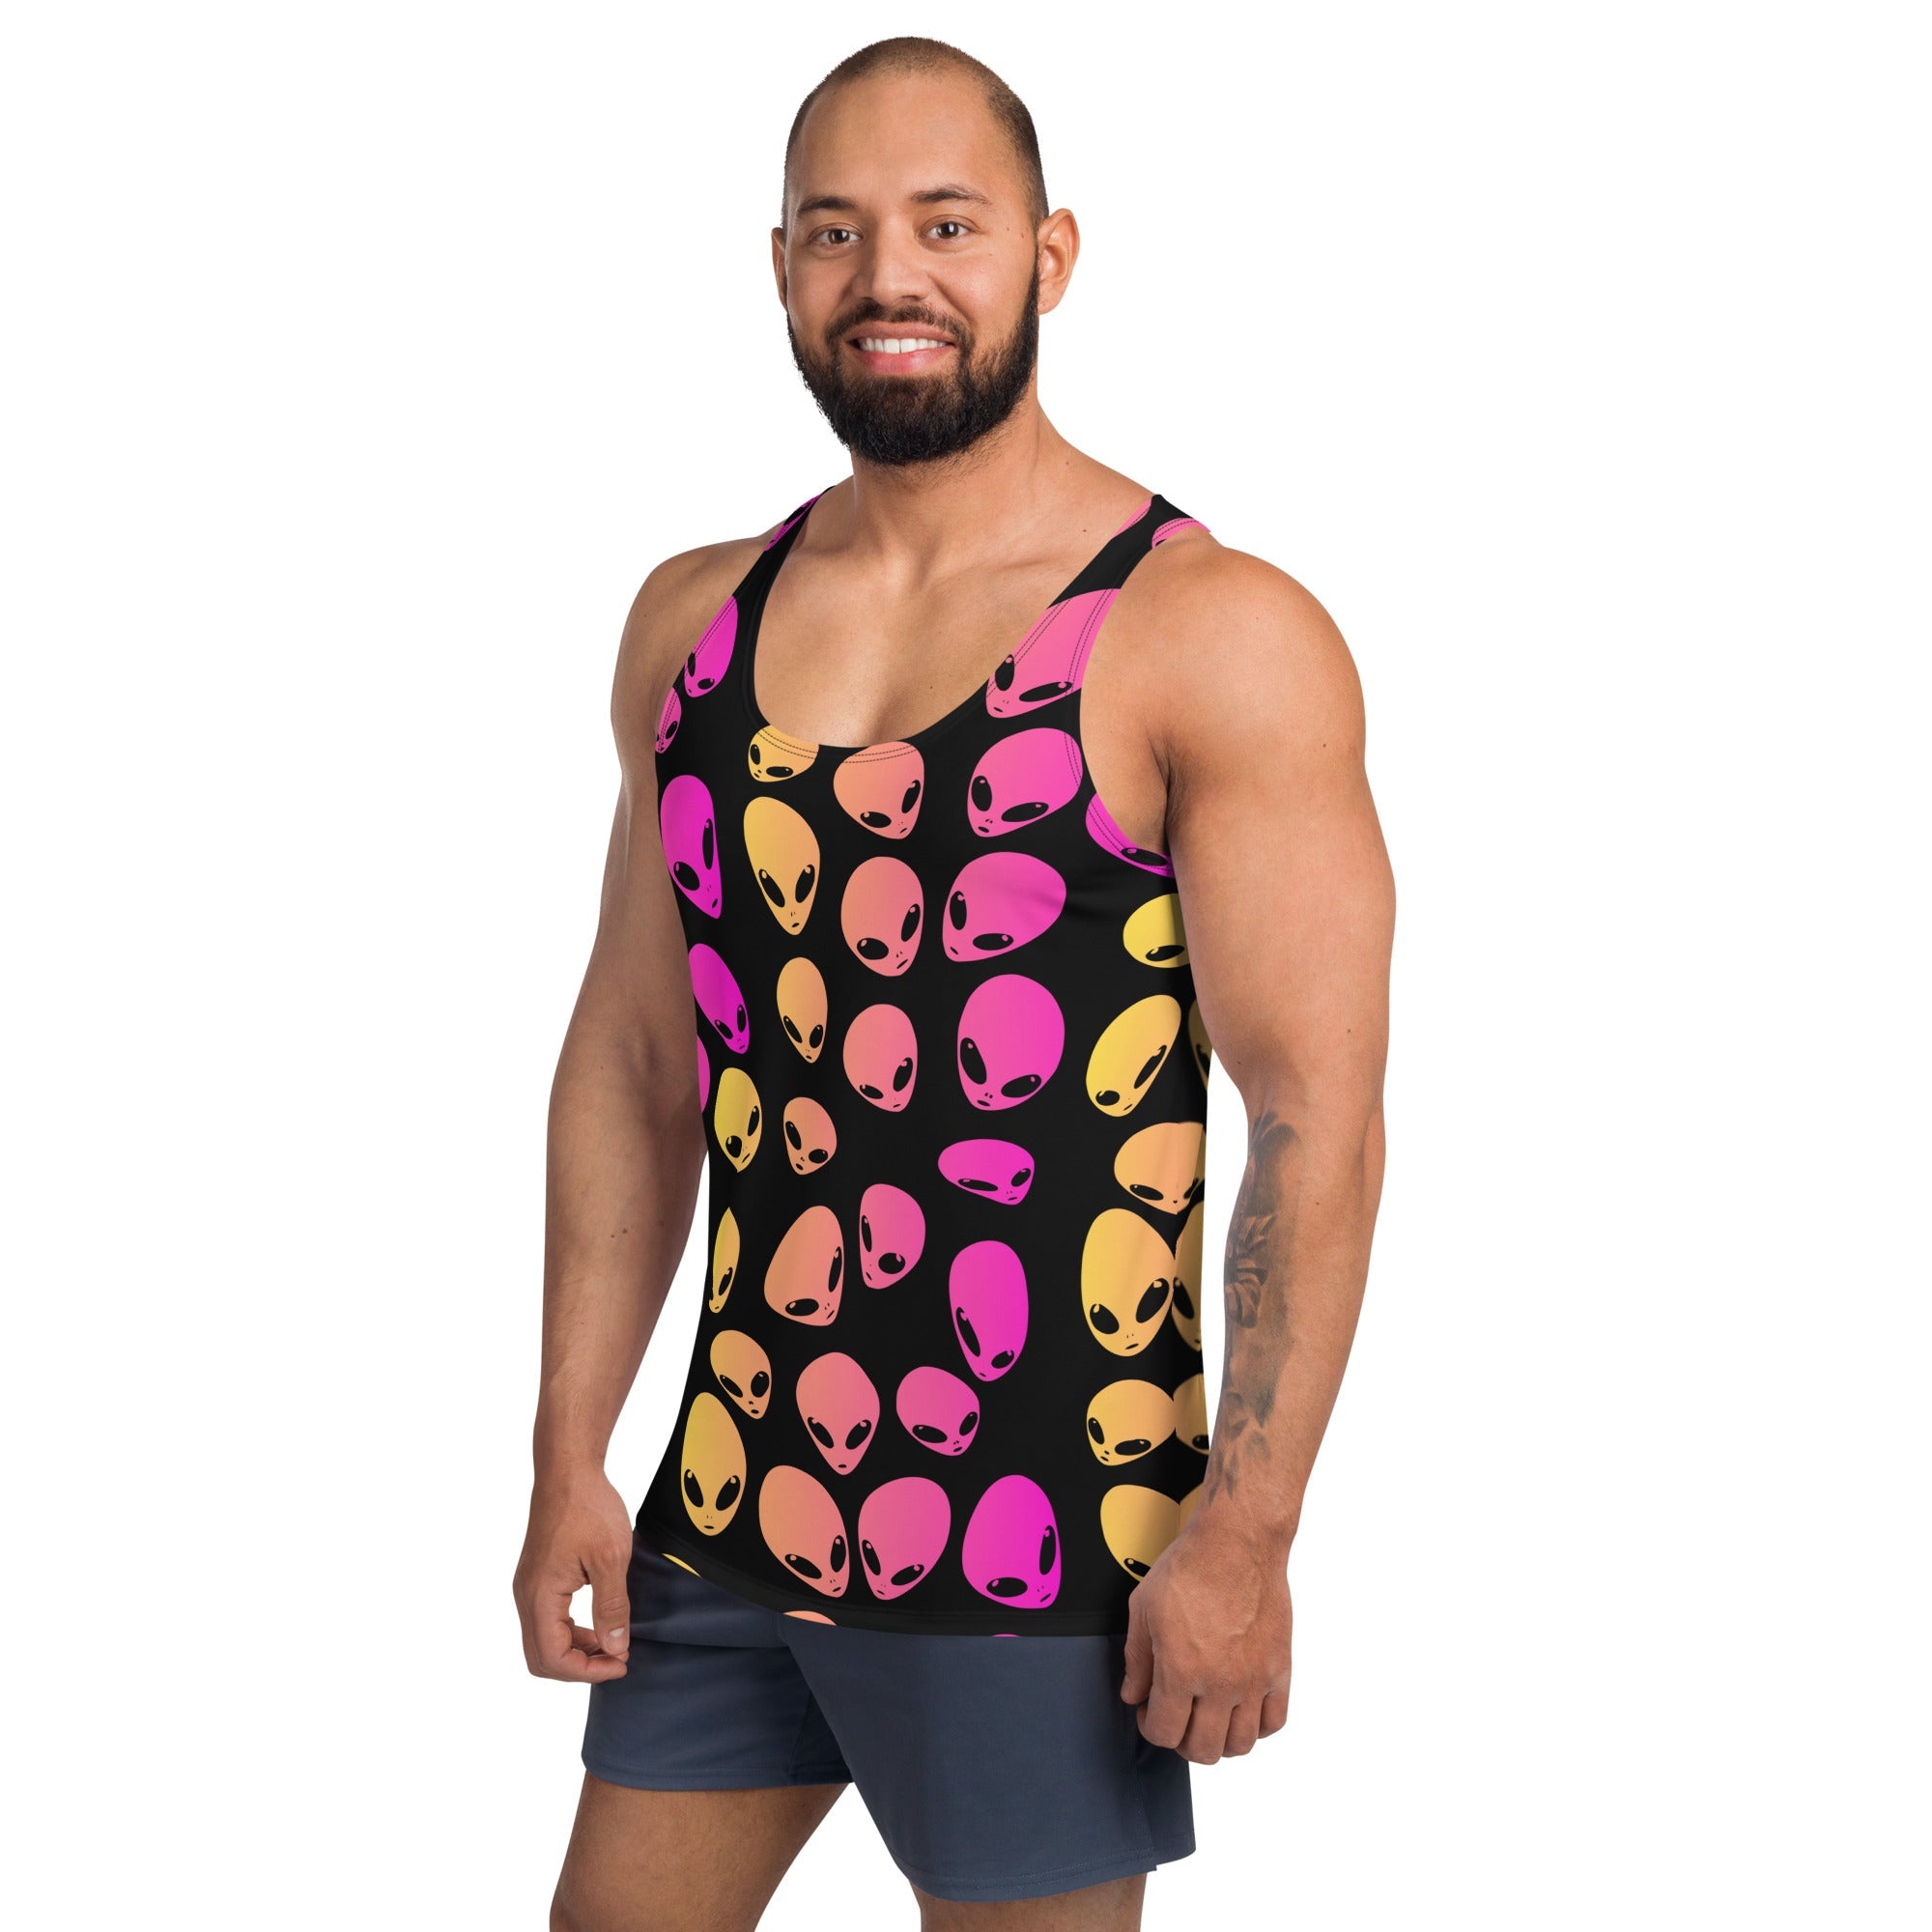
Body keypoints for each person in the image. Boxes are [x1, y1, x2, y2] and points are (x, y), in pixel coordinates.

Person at [514, 36, 1394, 1932]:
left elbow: (1313, 1112)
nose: (886, 275)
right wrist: (568, 1448)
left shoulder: (1207, 633)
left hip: (1040, 1540)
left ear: (1050, 256)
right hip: (731, 1498)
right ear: (780, 268)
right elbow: (638, 1059)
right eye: (835, 231)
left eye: (946, 224)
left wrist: (1246, 1529)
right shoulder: (692, 621)